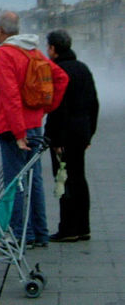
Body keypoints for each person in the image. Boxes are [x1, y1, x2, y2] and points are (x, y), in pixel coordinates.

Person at [0, 11, 69, 247]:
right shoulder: (33, 50)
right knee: (34, 180)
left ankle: (20, 235)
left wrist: (19, 133)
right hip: (34, 125)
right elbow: (61, 77)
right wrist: (45, 109)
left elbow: (10, 95)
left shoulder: (5, 53)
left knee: (15, 183)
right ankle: (39, 234)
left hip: (14, 129)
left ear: (1, 30)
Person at [44, 29, 99, 242]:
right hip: (81, 133)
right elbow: (93, 104)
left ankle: (68, 229)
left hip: (64, 136)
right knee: (79, 179)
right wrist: (89, 134)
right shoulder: (83, 68)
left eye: (48, 47)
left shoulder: (56, 70)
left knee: (63, 179)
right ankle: (84, 227)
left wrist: (55, 139)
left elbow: (57, 108)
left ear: (53, 49)